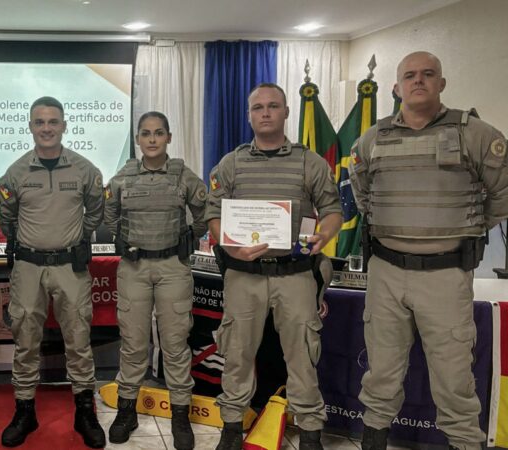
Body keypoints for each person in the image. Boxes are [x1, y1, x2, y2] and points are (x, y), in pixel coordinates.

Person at [350, 51, 508, 450]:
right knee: (381, 371)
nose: (418, 81)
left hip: (446, 274)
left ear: (441, 83)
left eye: (428, 74)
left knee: (454, 377)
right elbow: (364, 197)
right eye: (409, 75)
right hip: (386, 272)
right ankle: (373, 439)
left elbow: (502, 198)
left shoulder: (476, 134)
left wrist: (461, 229)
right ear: (396, 87)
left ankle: (463, 442)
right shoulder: (372, 139)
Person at [206, 83, 342, 450]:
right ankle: (232, 426)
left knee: (301, 355)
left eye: (273, 106)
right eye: (258, 107)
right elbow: (213, 216)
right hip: (244, 276)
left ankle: (310, 431)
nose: (265, 113)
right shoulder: (231, 163)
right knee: (236, 354)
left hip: (294, 274)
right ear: (249, 115)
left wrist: (323, 236)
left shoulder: (309, 161)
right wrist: (230, 246)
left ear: (285, 112)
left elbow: (332, 210)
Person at [0, 96, 105, 448]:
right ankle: (24, 410)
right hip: (28, 267)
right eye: (39, 122)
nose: (46, 128)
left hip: (69, 267)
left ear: (64, 125)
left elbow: (95, 212)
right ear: (30, 126)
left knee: (78, 341)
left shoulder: (86, 170)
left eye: (53, 122)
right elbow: (7, 218)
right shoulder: (14, 172)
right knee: (25, 343)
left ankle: (84, 410)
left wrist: (73, 238)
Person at [103, 111, 206, 449]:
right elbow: (109, 214)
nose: (151, 139)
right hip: (134, 268)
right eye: (145, 133)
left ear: (169, 137)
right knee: (133, 343)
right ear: (137, 138)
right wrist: (122, 239)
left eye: (158, 133)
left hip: (173, 267)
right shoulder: (124, 177)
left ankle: (180, 413)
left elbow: (206, 211)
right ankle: (127, 409)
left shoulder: (182, 175)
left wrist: (191, 236)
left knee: (175, 343)